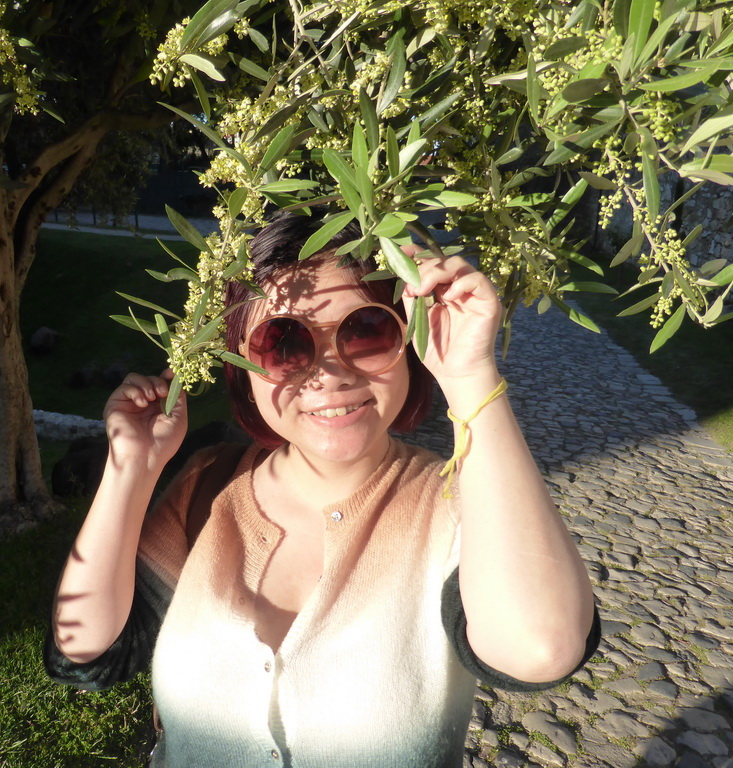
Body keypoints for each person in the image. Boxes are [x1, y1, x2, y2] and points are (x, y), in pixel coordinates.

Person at [44, 212, 599, 767]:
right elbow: (86, 646)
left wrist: (470, 374)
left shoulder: (460, 506)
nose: (329, 373)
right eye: (282, 343)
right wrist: (130, 468)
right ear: (241, 365)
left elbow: (540, 648)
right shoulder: (208, 489)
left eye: (366, 330)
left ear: (409, 340)